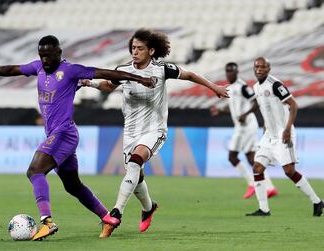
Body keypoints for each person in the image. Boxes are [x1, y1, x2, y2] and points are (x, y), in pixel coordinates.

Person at [0, 35, 156, 240]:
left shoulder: (70, 71)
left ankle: (47, 222)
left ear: (58, 53)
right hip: (56, 134)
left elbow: (105, 72)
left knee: (34, 171)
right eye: (41, 56)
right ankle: (107, 217)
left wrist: (140, 79)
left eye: (48, 56)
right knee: (72, 185)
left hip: (64, 133)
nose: (45, 60)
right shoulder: (38, 67)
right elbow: (14, 69)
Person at [81, 28, 229, 237]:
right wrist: (88, 82)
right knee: (136, 174)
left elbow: (189, 74)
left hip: (154, 130)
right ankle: (149, 207)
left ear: (151, 50)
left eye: (140, 48)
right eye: (133, 47)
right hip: (131, 132)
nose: (135, 52)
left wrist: (214, 87)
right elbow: (107, 85)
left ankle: (115, 214)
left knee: (134, 163)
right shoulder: (123, 70)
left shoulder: (161, 69)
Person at [239, 57, 323, 216]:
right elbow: (266, 109)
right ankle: (264, 209)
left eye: (263, 67)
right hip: (268, 136)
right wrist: (265, 127)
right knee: (257, 167)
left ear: (269, 69)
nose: (259, 69)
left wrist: (287, 129)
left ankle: (317, 201)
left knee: (289, 171)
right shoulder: (256, 87)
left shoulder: (275, 85)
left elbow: (293, 105)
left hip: (284, 134)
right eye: (256, 67)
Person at [210, 62, 278, 199]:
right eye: (227, 71)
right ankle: (269, 187)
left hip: (247, 126)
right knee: (250, 158)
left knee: (233, 156)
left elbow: (256, 102)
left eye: (232, 71)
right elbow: (234, 109)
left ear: (236, 72)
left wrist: (245, 115)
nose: (229, 73)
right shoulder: (230, 88)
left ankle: (254, 184)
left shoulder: (242, 87)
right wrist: (220, 111)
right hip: (241, 127)